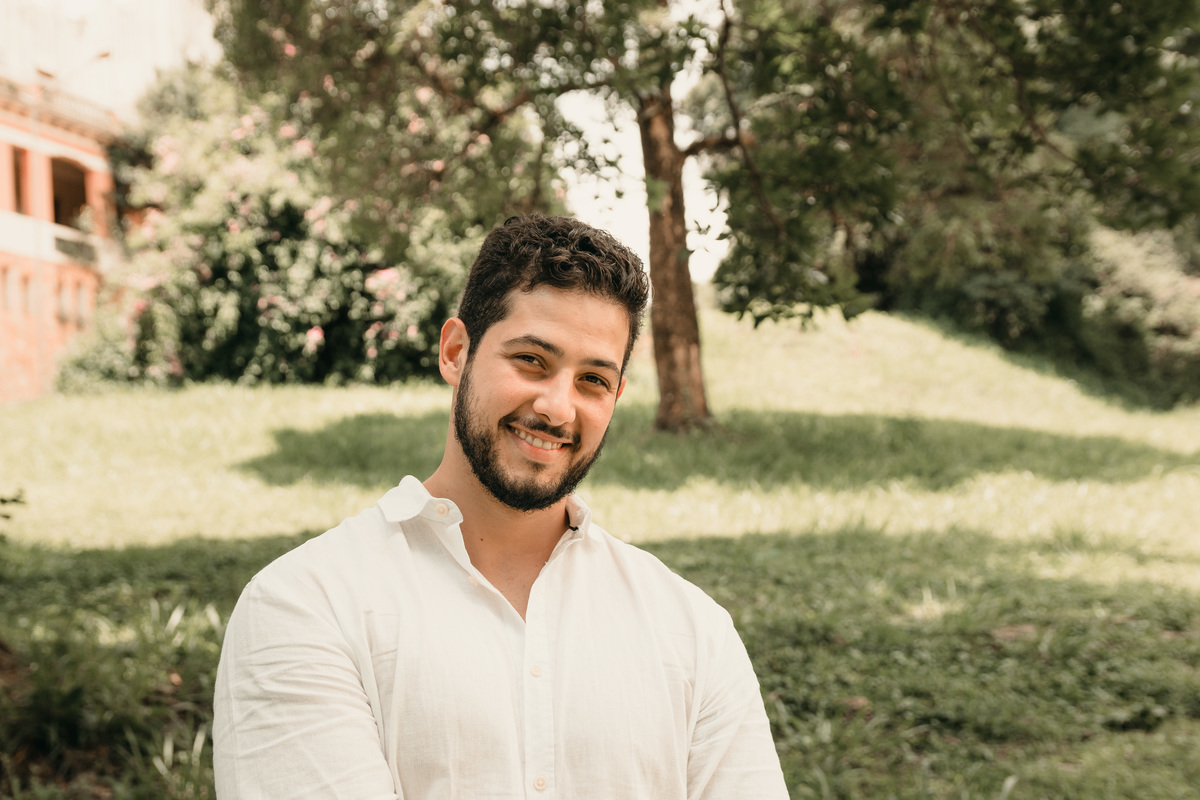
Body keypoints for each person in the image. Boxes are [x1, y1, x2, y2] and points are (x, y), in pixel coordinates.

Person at [212, 215, 788, 799]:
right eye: (532, 360)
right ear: (455, 352)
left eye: (592, 380)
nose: (558, 408)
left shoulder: (692, 632)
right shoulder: (307, 605)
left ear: (616, 395)